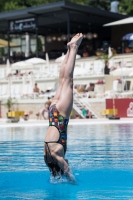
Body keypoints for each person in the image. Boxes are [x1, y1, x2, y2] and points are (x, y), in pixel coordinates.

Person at [44, 33, 83, 183]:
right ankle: (68, 51)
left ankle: (73, 48)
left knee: (69, 81)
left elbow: (66, 170)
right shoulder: (47, 158)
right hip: (52, 113)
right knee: (62, 81)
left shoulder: (56, 156)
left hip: (60, 116)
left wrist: (73, 181)